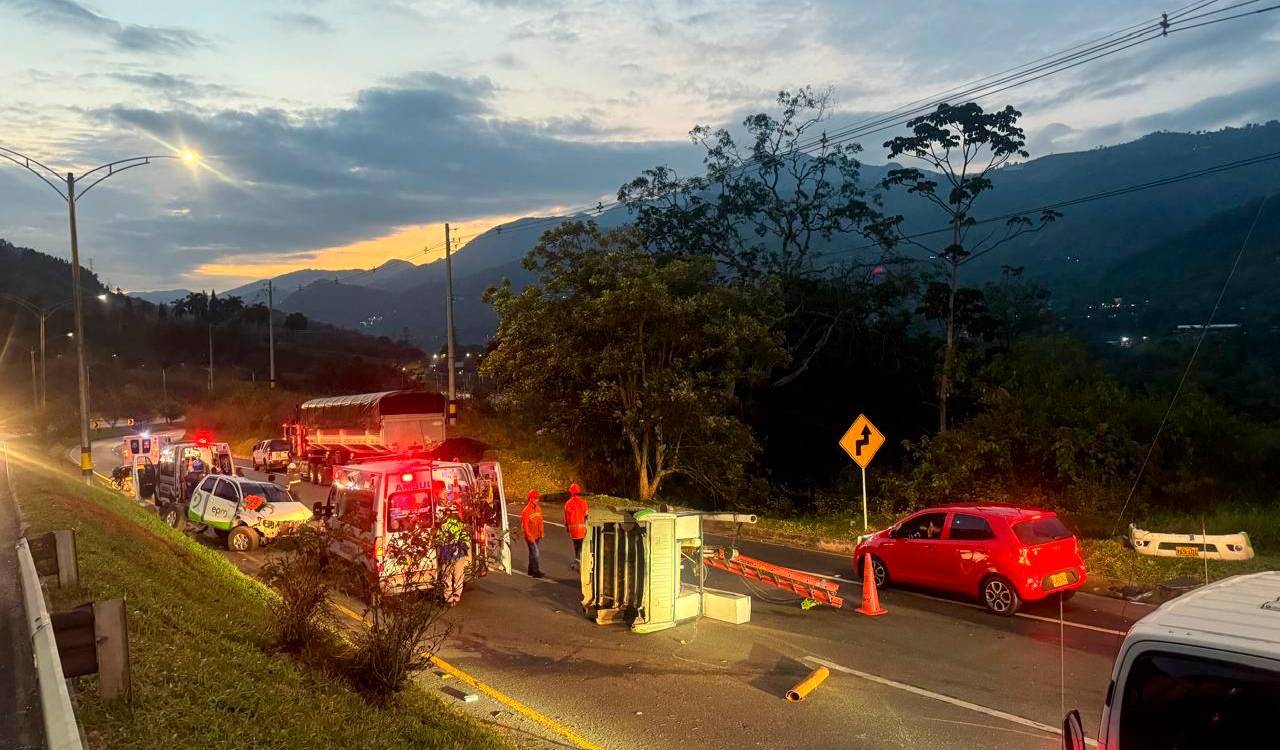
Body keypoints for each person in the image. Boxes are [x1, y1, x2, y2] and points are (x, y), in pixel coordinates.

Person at [436, 506, 470, 606]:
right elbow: (467, 540)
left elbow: (439, 539)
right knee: (459, 575)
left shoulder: (443, 525)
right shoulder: (461, 524)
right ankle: (457, 596)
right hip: (460, 554)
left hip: (447, 553)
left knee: (447, 576)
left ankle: (449, 598)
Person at [563, 483, 588, 570]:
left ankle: (577, 560)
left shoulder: (567, 504)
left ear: (571, 492)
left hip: (572, 529)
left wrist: (567, 527)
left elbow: (566, 518)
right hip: (581, 528)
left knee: (576, 544)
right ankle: (578, 560)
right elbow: (586, 515)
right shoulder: (583, 503)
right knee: (581, 545)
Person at [521, 489, 545, 578]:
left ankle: (530, 570)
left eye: (537, 498)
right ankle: (536, 571)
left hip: (537, 535)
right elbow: (525, 526)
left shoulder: (538, 508)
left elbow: (541, 521)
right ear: (530, 499)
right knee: (535, 553)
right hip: (530, 536)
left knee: (532, 553)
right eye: (535, 498)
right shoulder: (526, 511)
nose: (537, 500)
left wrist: (542, 532)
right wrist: (529, 536)